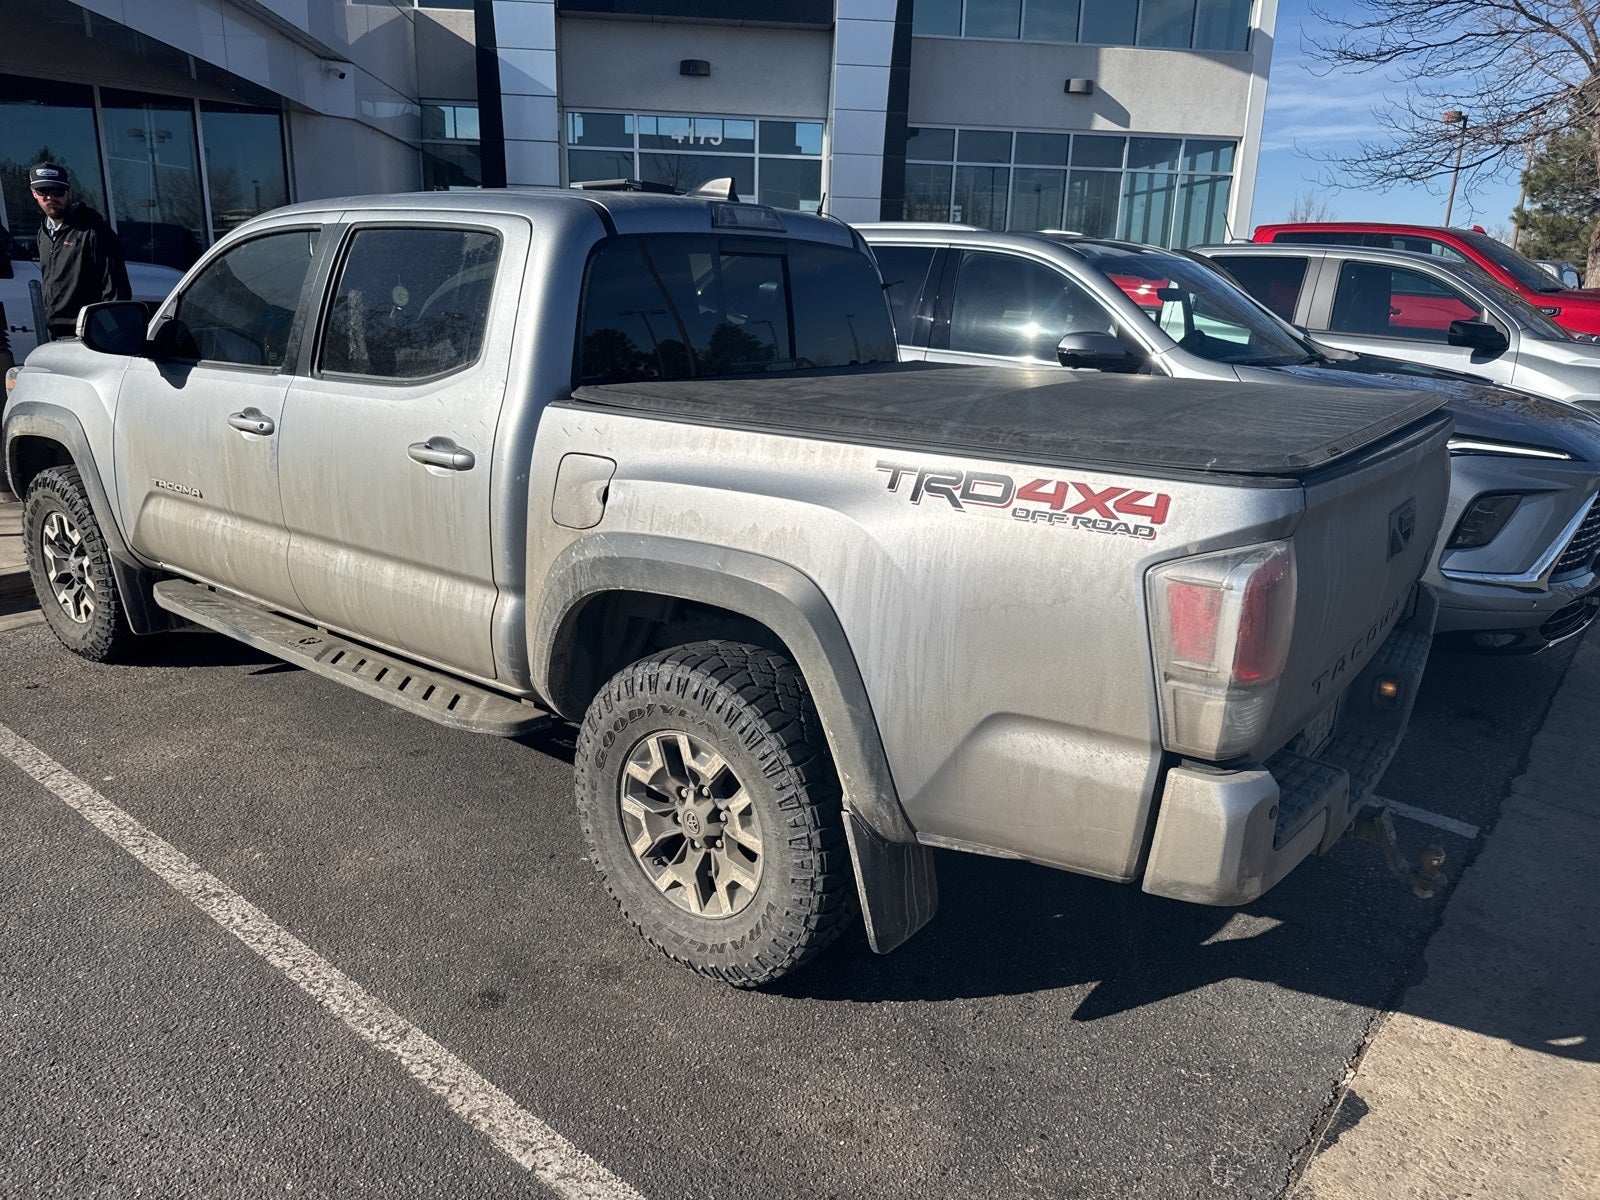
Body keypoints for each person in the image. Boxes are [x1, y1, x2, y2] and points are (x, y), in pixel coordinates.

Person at [30, 162, 130, 340]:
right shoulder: (43, 233)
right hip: (57, 334)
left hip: (87, 335)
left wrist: (109, 335)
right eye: (43, 191)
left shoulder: (93, 230)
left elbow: (115, 290)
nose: (50, 197)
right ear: (34, 193)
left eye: (58, 191)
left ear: (69, 192)